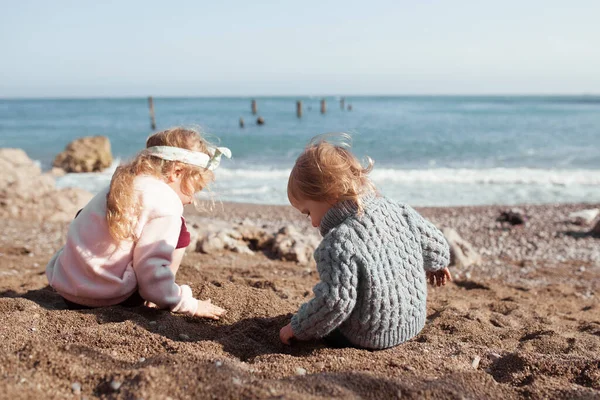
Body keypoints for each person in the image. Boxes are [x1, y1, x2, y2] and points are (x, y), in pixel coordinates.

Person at [279, 134, 452, 349]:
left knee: (326, 326)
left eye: (308, 212)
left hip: (369, 335)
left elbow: (334, 303)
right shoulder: (398, 210)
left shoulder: (338, 243)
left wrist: (297, 327)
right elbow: (436, 244)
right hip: (413, 322)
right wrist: (438, 265)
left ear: (329, 196)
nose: (313, 224)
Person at [46, 127, 230, 319]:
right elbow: (150, 265)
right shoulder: (166, 203)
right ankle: (164, 292)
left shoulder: (121, 184)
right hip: (108, 296)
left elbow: (80, 217)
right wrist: (186, 303)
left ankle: (157, 289)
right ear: (176, 172)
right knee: (180, 231)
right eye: (196, 188)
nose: (192, 199)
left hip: (67, 288)